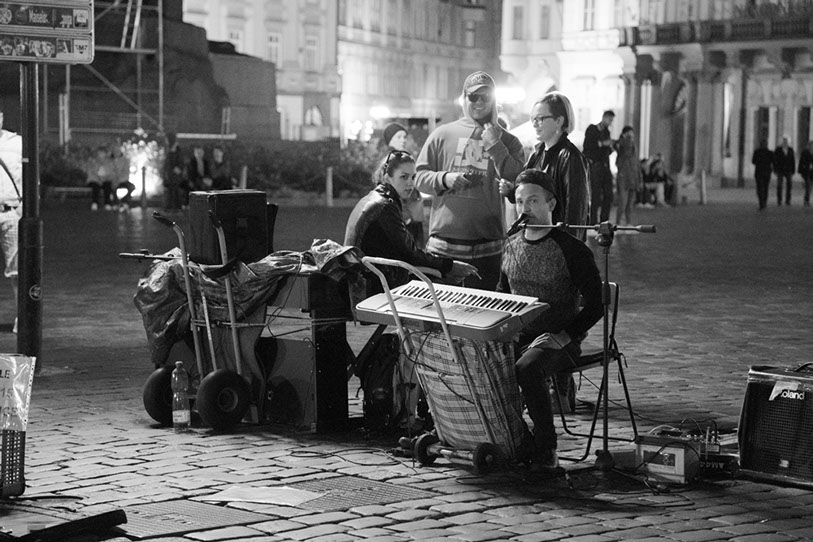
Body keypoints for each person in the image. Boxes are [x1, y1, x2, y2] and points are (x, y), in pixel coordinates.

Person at [497, 169, 602, 469]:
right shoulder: (511, 244)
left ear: (551, 204)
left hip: (558, 339)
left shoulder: (572, 249)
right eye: (520, 201)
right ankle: (509, 438)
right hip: (520, 334)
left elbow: (596, 305)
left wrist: (565, 335)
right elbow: (501, 294)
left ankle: (546, 448)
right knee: (482, 363)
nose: (524, 208)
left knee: (527, 369)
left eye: (533, 200)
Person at [415, 71, 524, 291]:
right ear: (464, 98)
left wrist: (496, 145)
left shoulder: (509, 141)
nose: (479, 102)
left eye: (485, 96)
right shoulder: (442, 134)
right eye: (474, 96)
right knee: (443, 310)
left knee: (487, 307)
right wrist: (445, 178)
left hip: (489, 247)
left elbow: (517, 178)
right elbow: (419, 177)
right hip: (444, 247)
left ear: (494, 99)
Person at [344, 150, 477, 294]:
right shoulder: (385, 205)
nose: (410, 183)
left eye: (413, 177)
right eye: (404, 177)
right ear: (387, 178)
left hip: (362, 280)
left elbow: (405, 250)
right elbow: (410, 253)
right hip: (372, 286)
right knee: (447, 288)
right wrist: (449, 266)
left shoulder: (374, 198)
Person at [383, 122, 424, 242]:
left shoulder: (402, 158)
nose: (403, 140)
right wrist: (405, 216)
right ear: (390, 140)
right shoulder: (391, 162)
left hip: (411, 215)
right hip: (405, 218)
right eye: (398, 137)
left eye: (404, 137)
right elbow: (392, 192)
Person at [0, 109, 22, 334]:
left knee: (16, 270)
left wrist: (24, 207)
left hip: (10, 211)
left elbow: (30, 176)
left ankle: (22, 317)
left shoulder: (17, 143)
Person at [583, 110, 616, 224]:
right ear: (604, 117)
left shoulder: (606, 132)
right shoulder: (592, 129)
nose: (610, 122)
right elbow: (587, 146)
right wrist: (602, 143)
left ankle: (604, 221)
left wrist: (612, 147)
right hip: (595, 166)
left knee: (608, 195)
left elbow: (606, 150)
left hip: (605, 166)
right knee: (595, 196)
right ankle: (593, 222)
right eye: (609, 120)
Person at [613, 126, 642, 225]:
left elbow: (637, 164)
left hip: (633, 177)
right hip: (624, 177)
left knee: (630, 204)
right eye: (629, 135)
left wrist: (639, 178)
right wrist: (625, 139)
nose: (631, 137)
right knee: (623, 203)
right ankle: (617, 223)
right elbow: (623, 151)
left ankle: (628, 223)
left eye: (632, 135)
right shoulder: (622, 145)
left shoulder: (634, 147)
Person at [85, 145, 116, 210]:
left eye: (102, 153)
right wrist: (98, 179)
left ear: (105, 153)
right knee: (95, 186)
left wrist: (105, 178)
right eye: (99, 153)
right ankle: (94, 203)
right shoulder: (93, 161)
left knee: (107, 185)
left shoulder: (109, 162)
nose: (101, 154)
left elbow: (111, 172)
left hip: (105, 179)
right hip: (94, 179)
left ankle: (107, 203)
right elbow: (91, 172)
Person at [164, 133, 186, 211]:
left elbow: (179, 163)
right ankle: (172, 207)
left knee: (174, 189)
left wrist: (176, 170)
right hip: (171, 175)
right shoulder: (170, 149)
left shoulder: (176, 150)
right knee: (171, 190)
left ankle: (175, 207)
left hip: (175, 176)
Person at [752, 139, 774, 211]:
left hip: (759, 172)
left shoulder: (757, 152)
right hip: (767, 172)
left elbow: (753, 161)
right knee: (765, 187)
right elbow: (773, 161)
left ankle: (761, 203)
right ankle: (764, 202)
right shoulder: (770, 153)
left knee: (760, 188)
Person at [773, 136, 795, 206]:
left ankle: (788, 200)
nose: (785, 143)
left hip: (788, 170)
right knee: (779, 185)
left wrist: (793, 170)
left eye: (786, 141)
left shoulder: (790, 150)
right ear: (782, 142)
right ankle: (779, 200)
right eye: (784, 141)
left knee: (789, 185)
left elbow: (793, 160)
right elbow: (775, 160)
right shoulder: (778, 150)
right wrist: (775, 169)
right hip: (780, 170)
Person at [112, 145, 134, 212]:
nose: (116, 152)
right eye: (115, 151)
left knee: (131, 187)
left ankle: (124, 201)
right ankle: (116, 203)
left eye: (117, 151)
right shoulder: (109, 160)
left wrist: (119, 180)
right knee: (112, 187)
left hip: (122, 180)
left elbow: (126, 173)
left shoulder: (125, 160)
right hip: (112, 180)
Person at [799, 141, 813, 207]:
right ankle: (806, 200)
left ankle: (806, 200)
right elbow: (802, 162)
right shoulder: (805, 152)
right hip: (806, 172)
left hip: (812, 173)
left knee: (810, 187)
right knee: (808, 186)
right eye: (811, 145)